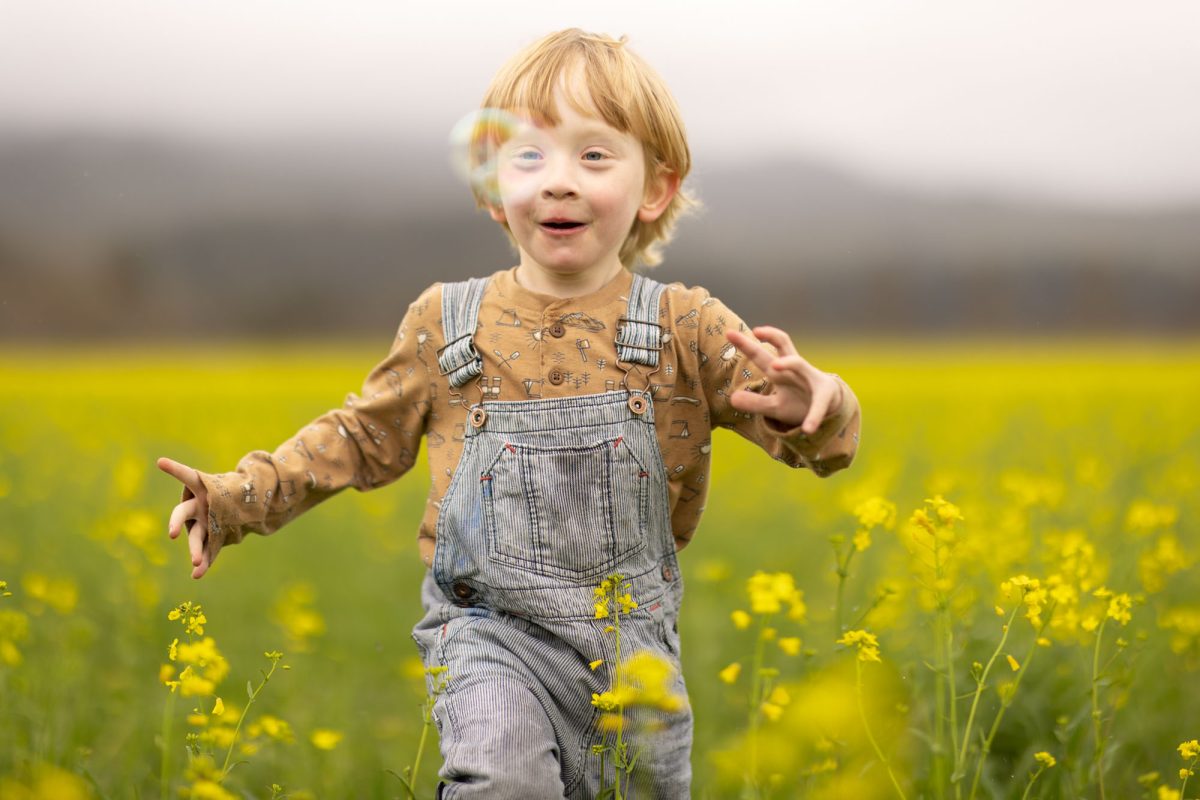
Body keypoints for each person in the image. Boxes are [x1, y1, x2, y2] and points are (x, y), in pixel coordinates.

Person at [158, 28, 861, 799]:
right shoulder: (445, 322)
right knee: (502, 784)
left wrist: (816, 406)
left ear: (655, 188)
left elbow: (813, 442)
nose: (559, 181)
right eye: (529, 155)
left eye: (594, 155)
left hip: (635, 651)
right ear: (492, 186)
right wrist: (235, 498)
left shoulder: (685, 327)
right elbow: (358, 438)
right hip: (489, 635)